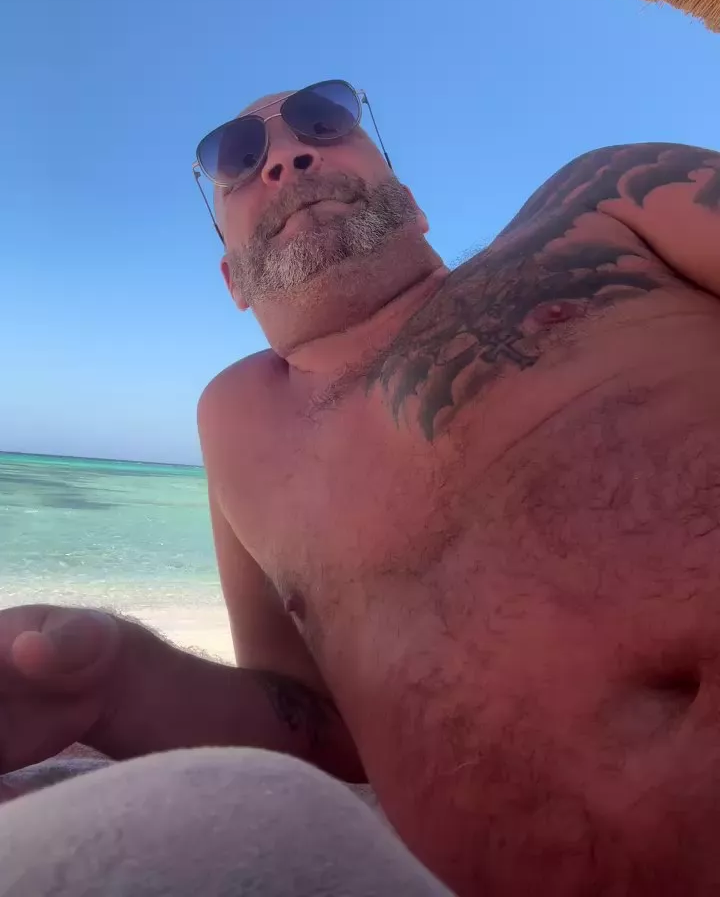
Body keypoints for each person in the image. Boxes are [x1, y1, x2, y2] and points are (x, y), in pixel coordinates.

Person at [3, 79, 720, 896]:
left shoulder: (607, 203)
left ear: (412, 203)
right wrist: (117, 681)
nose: (287, 156)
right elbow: (323, 733)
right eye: (238, 158)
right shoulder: (239, 423)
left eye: (324, 121)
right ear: (234, 280)